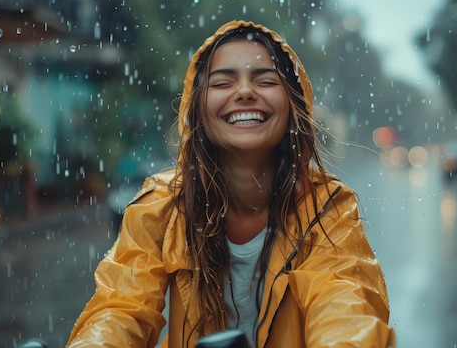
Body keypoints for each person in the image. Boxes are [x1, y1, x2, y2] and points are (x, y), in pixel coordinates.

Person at [67, 20, 396, 348]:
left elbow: (346, 311)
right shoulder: (161, 205)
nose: (244, 92)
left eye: (265, 80)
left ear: (293, 104)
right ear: (197, 109)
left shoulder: (327, 209)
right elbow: (120, 309)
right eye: (223, 83)